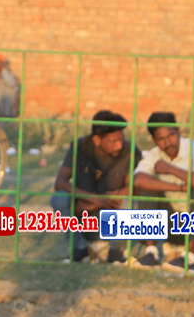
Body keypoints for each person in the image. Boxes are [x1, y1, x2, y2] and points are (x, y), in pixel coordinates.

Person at [130, 111, 194, 273]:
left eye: (171, 135)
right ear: (154, 140)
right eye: (161, 139)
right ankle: (151, 253)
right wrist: (179, 188)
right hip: (173, 227)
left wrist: (170, 169)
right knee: (147, 186)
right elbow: (137, 180)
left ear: (179, 132)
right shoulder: (154, 154)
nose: (168, 142)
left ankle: (189, 258)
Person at [51, 110, 141, 264]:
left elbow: (132, 187)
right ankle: (80, 249)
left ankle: (115, 251)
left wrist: (95, 202)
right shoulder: (79, 147)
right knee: (59, 198)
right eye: (113, 141)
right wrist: (93, 199)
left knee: (129, 200)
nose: (119, 145)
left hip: (111, 212)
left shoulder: (130, 150)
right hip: (83, 216)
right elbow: (60, 182)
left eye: (121, 139)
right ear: (97, 140)